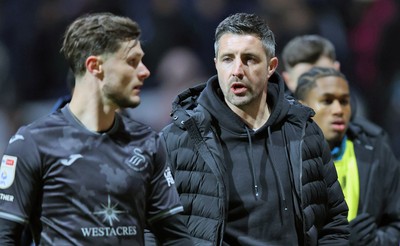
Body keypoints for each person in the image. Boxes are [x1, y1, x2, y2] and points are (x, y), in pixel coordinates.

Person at [0, 12, 193, 245]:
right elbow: (5, 236)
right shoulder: (31, 143)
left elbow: (174, 238)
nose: (144, 71)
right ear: (95, 67)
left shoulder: (148, 142)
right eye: (132, 62)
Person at [158, 13, 349, 245]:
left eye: (249, 59)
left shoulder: (303, 130)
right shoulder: (179, 138)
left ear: (271, 67)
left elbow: (333, 221)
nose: (237, 70)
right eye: (228, 59)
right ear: (216, 64)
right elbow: (154, 225)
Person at [295, 66, 400, 245]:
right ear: (302, 106)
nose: (338, 110)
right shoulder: (285, 155)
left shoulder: (376, 149)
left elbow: (395, 221)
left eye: (344, 101)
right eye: (327, 101)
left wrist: (376, 241)